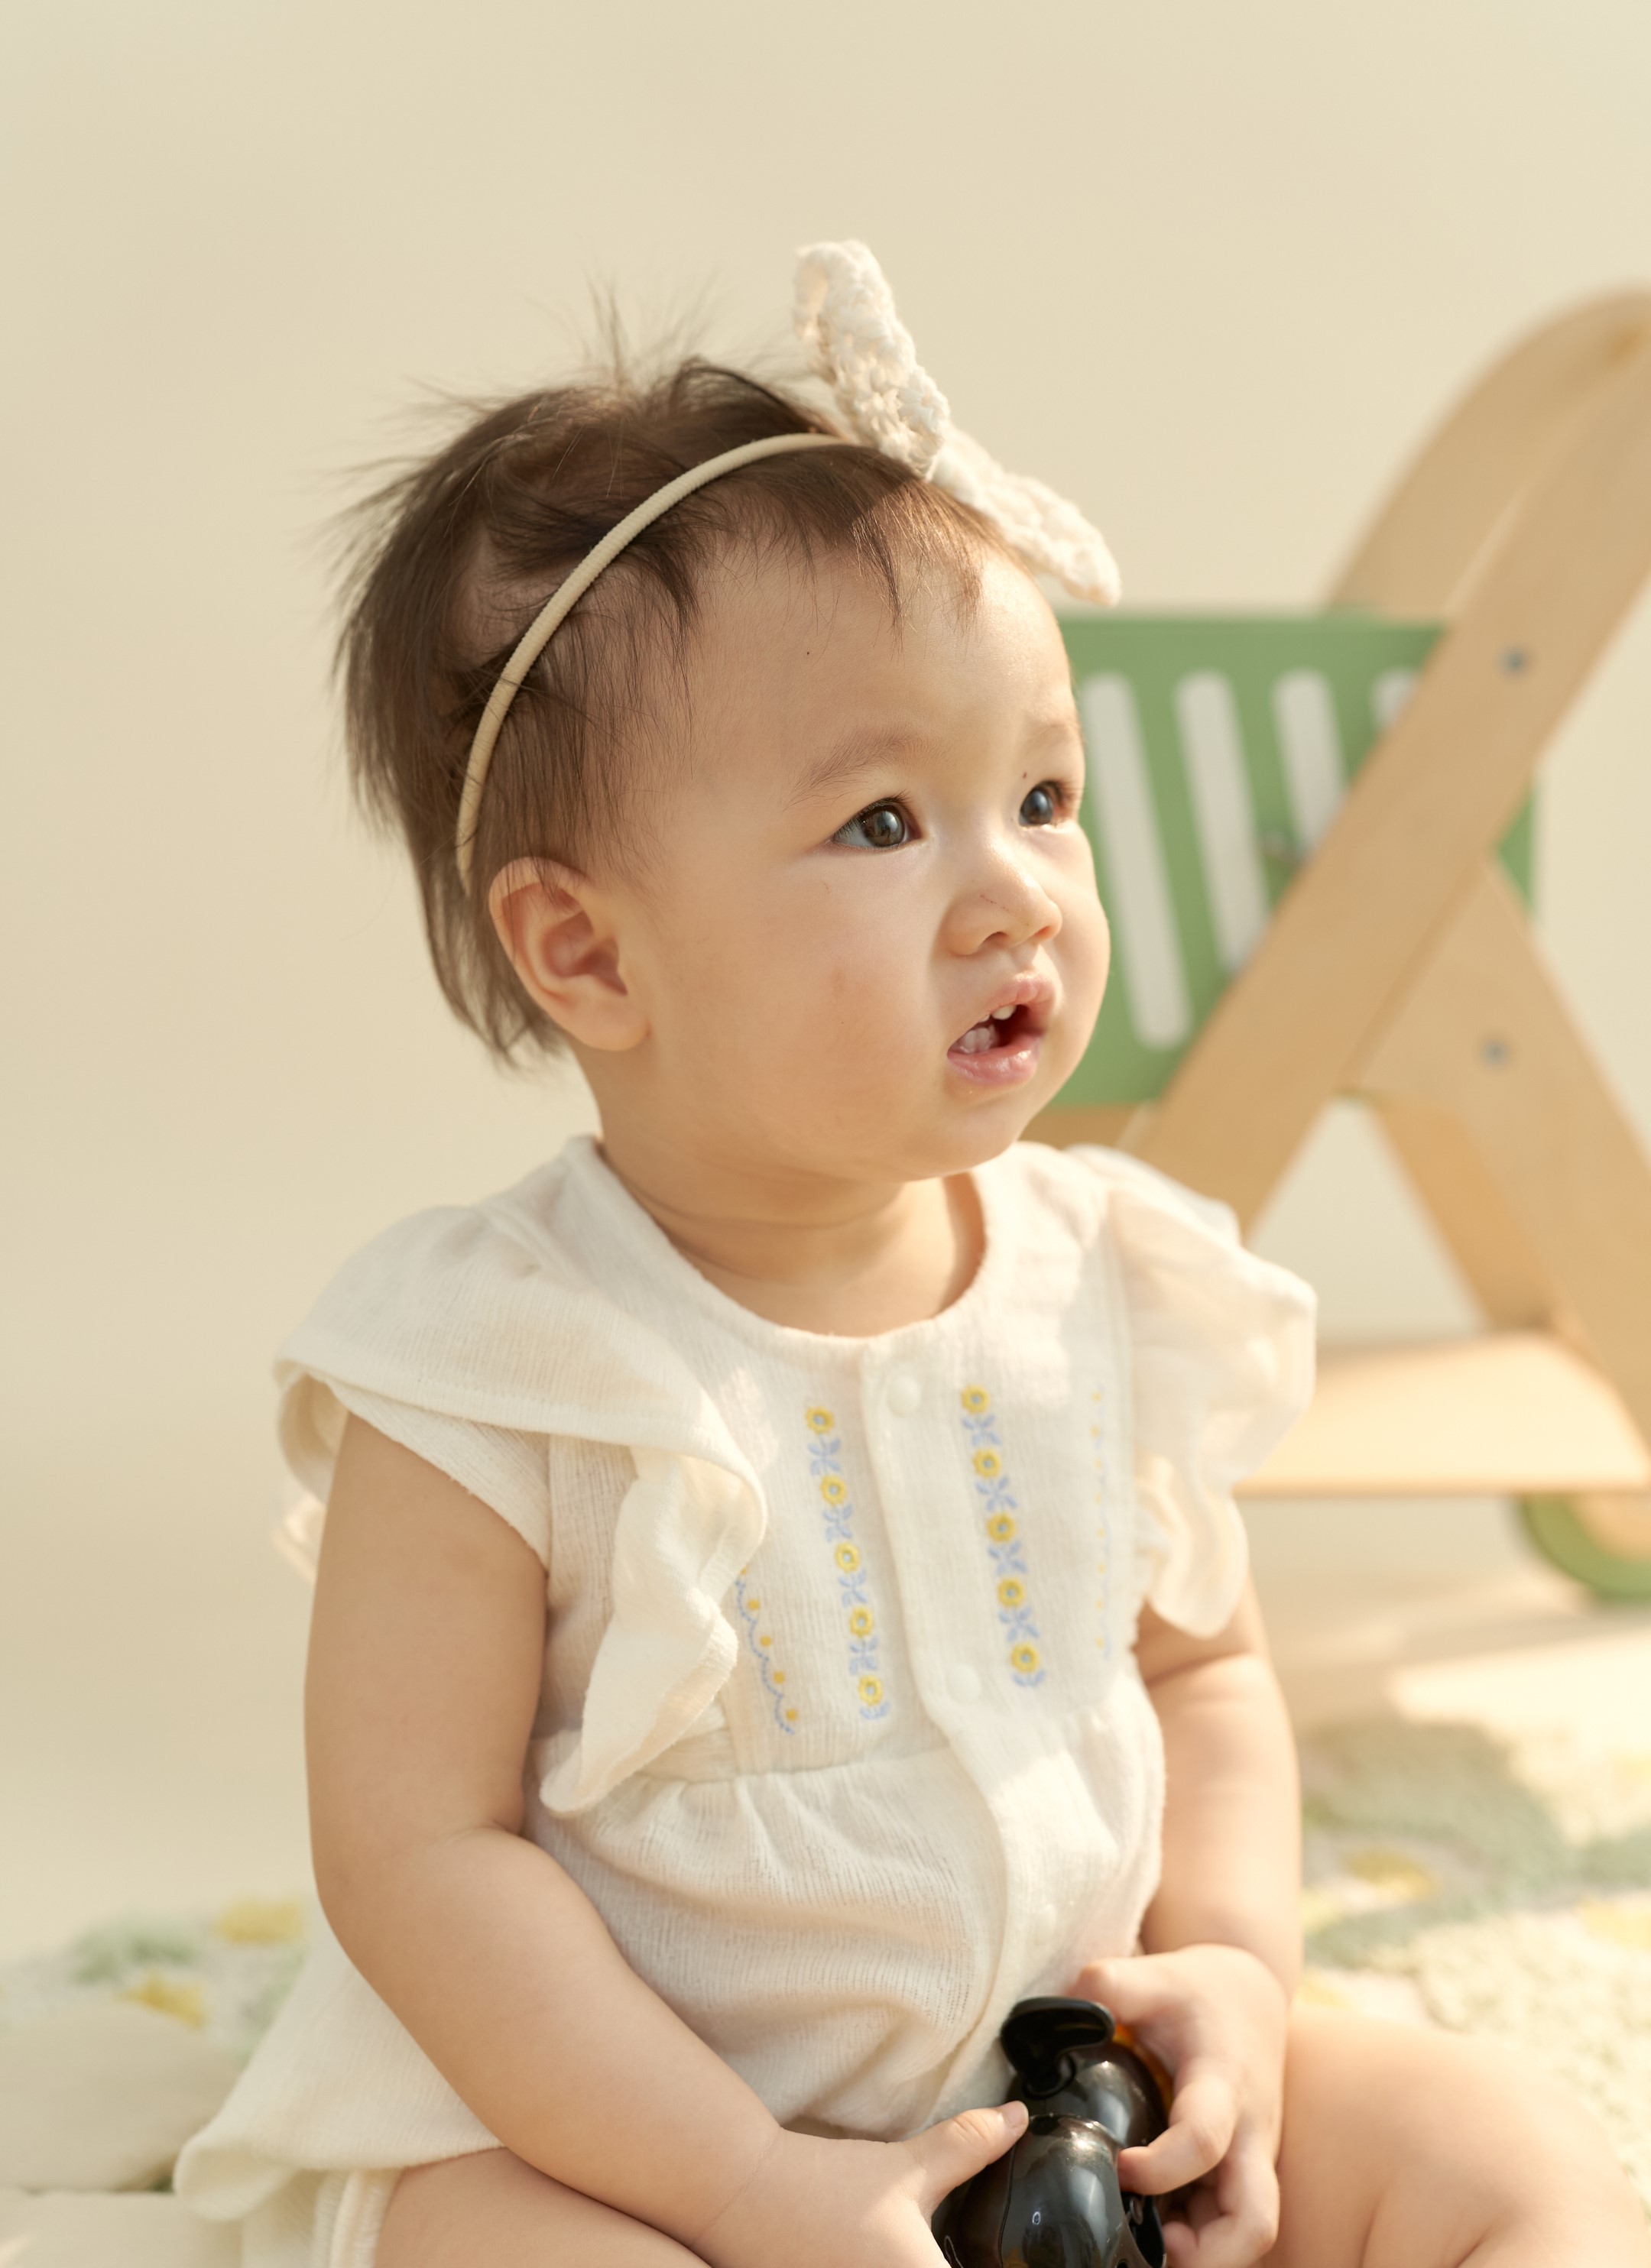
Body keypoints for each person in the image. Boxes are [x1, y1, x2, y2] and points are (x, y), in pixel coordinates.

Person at [177, 245, 1648, 2268]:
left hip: (1068, 2107)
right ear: (588, 950)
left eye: (1041, 795)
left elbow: (1205, 1673)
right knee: (497, 2247)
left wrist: (1229, 1974)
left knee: (1513, 2158)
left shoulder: (1106, 1278)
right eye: (886, 824)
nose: (1015, 892)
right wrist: (744, 2187)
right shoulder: (497, 1368)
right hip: (640, 2147)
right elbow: (420, 1863)